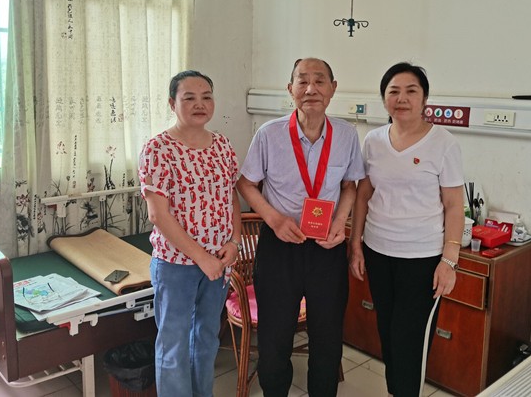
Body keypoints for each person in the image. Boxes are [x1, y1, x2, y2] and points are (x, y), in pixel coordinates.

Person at [237, 57, 365, 397]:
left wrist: (340, 222)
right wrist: (274, 219)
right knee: (274, 338)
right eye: (302, 81)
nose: (311, 89)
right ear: (290, 89)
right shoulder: (269, 134)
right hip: (280, 247)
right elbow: (246, 184)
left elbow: (350, 186)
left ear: (333, 89)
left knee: (327, 336)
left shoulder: (347, 135)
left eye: (320, 81)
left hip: (326, 247)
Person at [348, 62, 465, 397]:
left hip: (422, 258)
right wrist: (355, 245)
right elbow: (363, 195)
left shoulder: (443, 144)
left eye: (411, 91)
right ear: (384, 98)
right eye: (394, 91)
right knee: (387, 332)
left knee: (409, 340)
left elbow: (454, 205)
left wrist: (449, 261)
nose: (402, 98)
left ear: (424, 98)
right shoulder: (373, 141)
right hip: (378, 252)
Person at [138, 70, 241, 397]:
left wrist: (234, 242)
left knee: (207, 338)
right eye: (190, 98)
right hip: (176, 264)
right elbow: (158, 214)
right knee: (174, 344)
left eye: (206, 97)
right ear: (172, 103)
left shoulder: (222, 145)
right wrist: (202, 259)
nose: (200, 104)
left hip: (219, 262)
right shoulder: (158, 149)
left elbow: (231, 196)